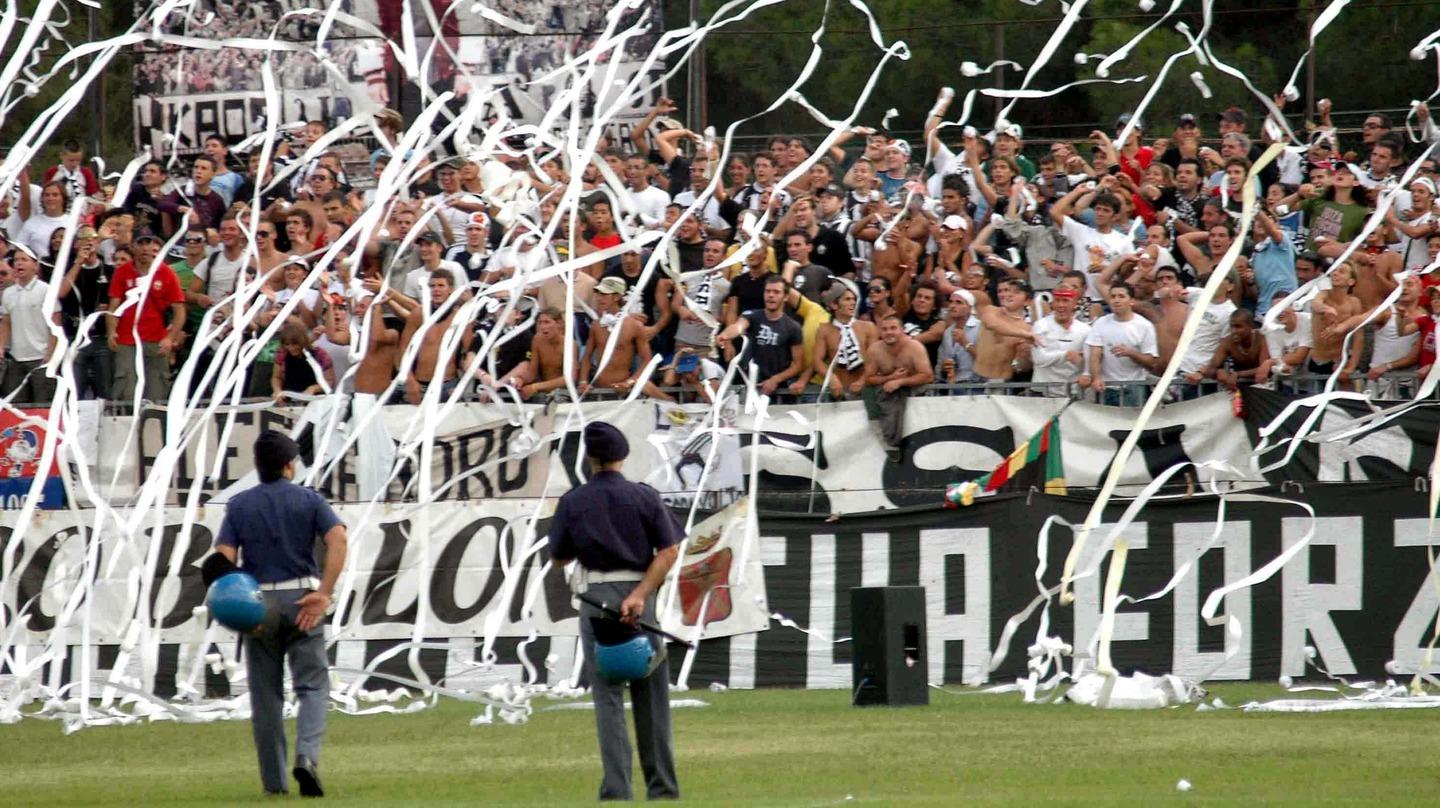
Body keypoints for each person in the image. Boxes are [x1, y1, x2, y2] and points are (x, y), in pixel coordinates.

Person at [547, 422, 682, 802]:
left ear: (589, 458)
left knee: (607, 698)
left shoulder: (573, 501)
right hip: (642, 595)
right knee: (652, 697)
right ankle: (663, 787)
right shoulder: (645, 496)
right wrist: (640, 594)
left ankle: (618, 788)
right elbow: (669, 552)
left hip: (596, 598)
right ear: (623, 456)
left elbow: (558, 558)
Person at [212, 430, 348, 797]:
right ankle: (307, 757)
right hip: (303, 596)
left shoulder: (239, 505)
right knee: (313, 686)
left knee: (265, 696)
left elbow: (223, 556)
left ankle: (274, 782)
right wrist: (324, 593)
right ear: (290, 466)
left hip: (257, 602)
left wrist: (230, 601)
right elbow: (337, 538)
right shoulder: (309, 499)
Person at [107, 230, 185, 402]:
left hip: (156, 339)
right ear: (133, 247)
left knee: (156, 389)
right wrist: (112, 330)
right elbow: (114, 306)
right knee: (127, 387)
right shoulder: (122, 272)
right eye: (140, 243)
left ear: (154, 247)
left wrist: (169, 338)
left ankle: (154, 426)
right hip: (127, 339)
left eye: (148, 243)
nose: (145, 248)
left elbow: (179, 310)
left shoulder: (166, 273)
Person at [863, 314, 934, 460]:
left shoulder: (914, 347)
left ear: (902, 330)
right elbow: (869, 379)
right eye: (884, 329)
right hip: (888, 395)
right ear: (879, 332)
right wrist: (891, 378)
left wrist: (900, 382)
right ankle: (889, 444)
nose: (889, 332)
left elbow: (927, 375)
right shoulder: (875, 350)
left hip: (915, 393)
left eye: (893, 328)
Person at [1081, 282, 1160, 406]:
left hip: (1134, 387)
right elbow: (1095, 354)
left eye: (1121, 296)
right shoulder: (1101, 323)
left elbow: (1151, 361)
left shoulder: (1144, 326)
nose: (1116, 300)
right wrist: (1096, 377)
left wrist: (1131, 353)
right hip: (1107, 387)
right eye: (1113, 297)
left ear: (1131, 301)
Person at [0, 244, 57, 403]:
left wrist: (50, 354)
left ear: (35, 265)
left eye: (24, 260)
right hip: (17, 359)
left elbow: (55, 324)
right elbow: (6, 323)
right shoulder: (8, 293)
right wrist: (1, 347)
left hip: (41, 357)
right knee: (17, 406)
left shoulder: (46, 291)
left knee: (42, 404)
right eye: (16, 260)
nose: (19, 263)